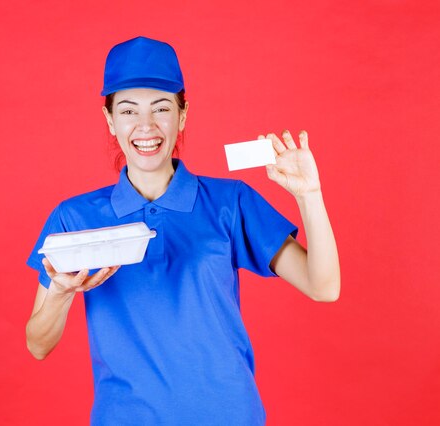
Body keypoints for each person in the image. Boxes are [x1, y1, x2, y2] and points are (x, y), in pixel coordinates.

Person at [25, 36, 340, 425]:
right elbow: (38, 345)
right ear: (110, 119)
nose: (146, 126)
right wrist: (60, 293)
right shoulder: (75, 218)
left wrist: (310, 195)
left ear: (183, 114)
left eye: (161, 108)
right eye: (128, 111)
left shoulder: (230, 202)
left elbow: (323, 287)